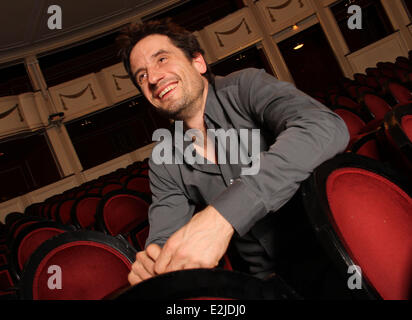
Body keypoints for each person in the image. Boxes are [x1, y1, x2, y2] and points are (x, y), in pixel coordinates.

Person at [117, 18, 350, 286]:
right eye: (142, 76)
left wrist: (223, 215)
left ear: (198, 62)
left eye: (162, 59)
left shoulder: (246, 86)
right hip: (267, 286)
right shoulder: (163, 160)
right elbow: (164, 239)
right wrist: (154, 265)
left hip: (335, 255)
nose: (154, 78)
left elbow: (324, 127)